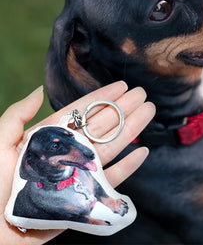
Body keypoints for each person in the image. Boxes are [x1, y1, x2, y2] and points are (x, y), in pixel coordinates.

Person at [0, 81, 155, 244]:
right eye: (55, 146)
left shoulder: (81, 171)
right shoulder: (42, 196)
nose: (85, 152)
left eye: (70, 136)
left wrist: (107, 200)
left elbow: (95, 184)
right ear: (29, 163)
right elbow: (66, 214)